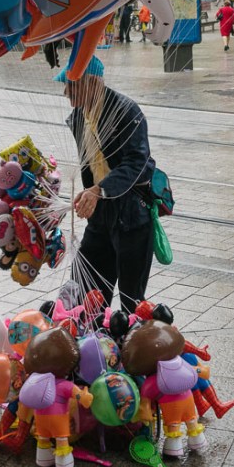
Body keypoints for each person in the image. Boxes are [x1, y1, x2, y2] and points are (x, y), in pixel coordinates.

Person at [61, 57, 156, 314]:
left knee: (132, 302)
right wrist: (89, 191)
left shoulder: (127, 111)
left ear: (91, 83)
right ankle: (93, 347)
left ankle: (134, 348)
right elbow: (93, 163)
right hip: (100, 214)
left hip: (131, 214)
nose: (65, 92)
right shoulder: (79, 117)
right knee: (85, 288)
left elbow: (139, 162)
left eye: (71, 86)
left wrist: (100, 189)